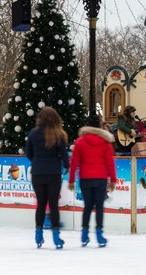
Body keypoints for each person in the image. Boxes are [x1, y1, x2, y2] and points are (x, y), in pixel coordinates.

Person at [68, 113, 115, 248]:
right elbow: (110, 163)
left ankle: (84, 233)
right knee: (99, 207)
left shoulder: (80, 141)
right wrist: (113, 180)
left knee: (87, 206)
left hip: (85, 178)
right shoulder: (105, 142)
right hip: (100, 178)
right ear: (100, 125)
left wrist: (71, 180)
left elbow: (75, 161)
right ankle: (99, 234)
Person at [26, 106, 69, 249]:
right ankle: (56, 237)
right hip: (53, 173)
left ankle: (38, 234)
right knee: (53, 205)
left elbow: (28, 154)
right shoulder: (59, 135)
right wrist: (65, 166)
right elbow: (64, 156)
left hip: (37, 173)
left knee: (41, 205)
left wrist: (38, 161)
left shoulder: (33, 134)